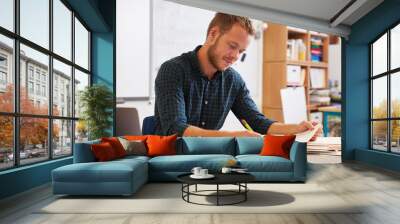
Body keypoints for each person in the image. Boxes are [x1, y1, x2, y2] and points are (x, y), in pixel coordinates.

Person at [154, 12, 322, 139]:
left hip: (204, 159)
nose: (235, 56)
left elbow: (257, 122)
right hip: (168, 159)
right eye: (232, 46)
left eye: (241, 51)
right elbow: (175, 129)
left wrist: (297, 128)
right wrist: (232, 136)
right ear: (213, 34)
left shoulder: (233, 80)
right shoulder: (173, 70)